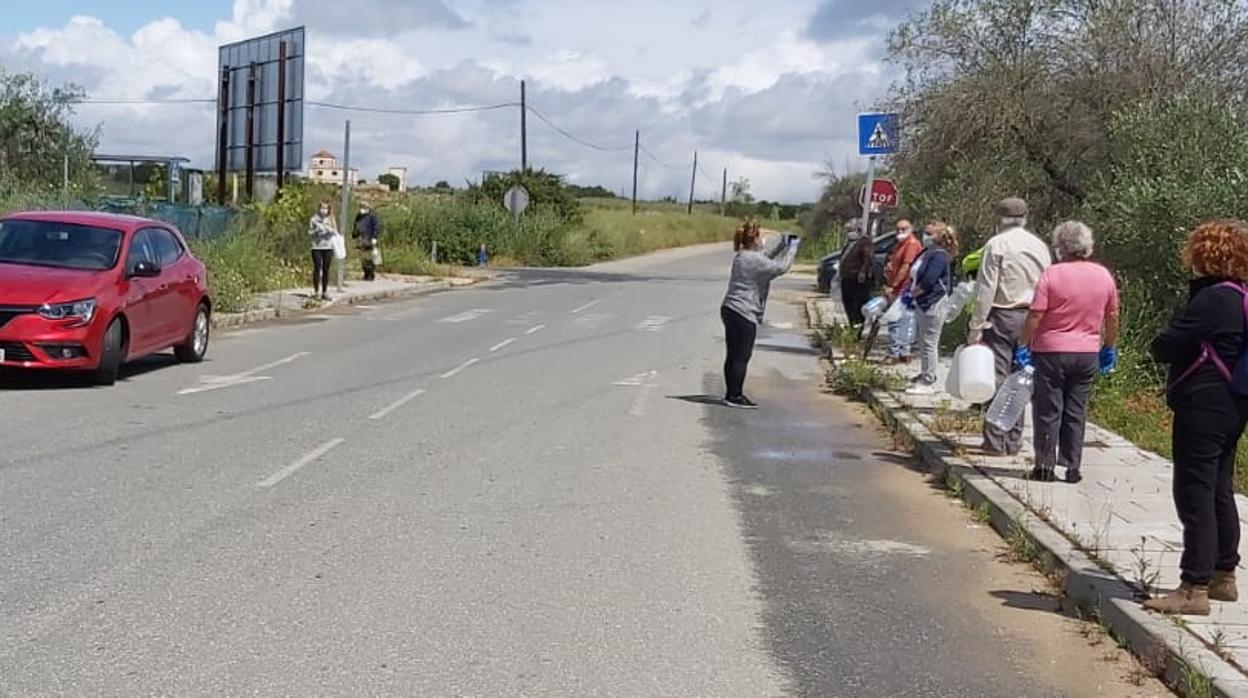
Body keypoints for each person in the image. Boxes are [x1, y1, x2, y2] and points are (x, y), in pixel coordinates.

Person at [1144, 220, 1248, 616]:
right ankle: (1224, 575)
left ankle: (1193, 586)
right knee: (1220, 485)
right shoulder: (1241, 295)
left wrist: (1160, 342)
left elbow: (1167, 345)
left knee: (1195, 490)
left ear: (1205, 254)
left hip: (1203, 403)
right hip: (1234, 402)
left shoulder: (1213, 299)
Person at [1014, 221, 1119, 483]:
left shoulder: (1052, 274)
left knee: (1048, 409)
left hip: (1051, 351)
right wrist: (1109, 347)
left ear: (1060, 247)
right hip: (1087, 352)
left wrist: (1023, 344)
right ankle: (1072, 466)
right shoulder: (1103, 275)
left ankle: (1045, 465)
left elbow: (1036, 314)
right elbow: (1112, 314)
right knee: (1076, 409)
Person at [968, 197, 1051, 455]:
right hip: (1034, 316)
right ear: (1025, 217)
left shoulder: (996, 244)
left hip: (1003, 315)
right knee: (1023, 378)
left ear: (999, 218)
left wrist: (976, 325)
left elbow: (986, 289)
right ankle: (1014, 441)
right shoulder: (1040, 246)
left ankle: (995, 440)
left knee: (999, 378)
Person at [721, 223, 800, 409]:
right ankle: (735, 396)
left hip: (731, 309)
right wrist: (793, 249)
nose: (763, 240)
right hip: (743, 311)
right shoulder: (752, 260)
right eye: (761, 237)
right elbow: (780, 267)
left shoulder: (743, 256)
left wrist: (782, 243)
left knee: (733, 355)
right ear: (755, 239)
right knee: (741, 356)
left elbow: (765, 257)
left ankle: (731, 393)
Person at [905, 222, 958, 395]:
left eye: (929, 233)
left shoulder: (939, 256)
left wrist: (912, 294)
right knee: (923, 341)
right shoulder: (926, 252)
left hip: (933, 303)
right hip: (922, 301)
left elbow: (928, 280)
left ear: (939, 236)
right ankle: (925, 373)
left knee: (929, 342)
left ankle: (929, 381)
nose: (925, 236)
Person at [882, 219, 923, 364]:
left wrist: (893, 286)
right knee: (905, 321)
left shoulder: (911, 244)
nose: (900, 232)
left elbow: (906, 267)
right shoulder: (900, 244)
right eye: (898, 229)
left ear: (911, 229)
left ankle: (893, 353)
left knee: (894, 320)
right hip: (904, 288)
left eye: (903, 229)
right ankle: (904, 352)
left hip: (904, 288)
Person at [839, 219, 874, 327]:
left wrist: (862, 272)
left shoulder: (864, 242)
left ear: (858, 230)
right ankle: (852, 325)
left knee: (857, 305)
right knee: (848, 303)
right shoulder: (850, 243)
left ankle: (858, 327)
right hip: (847, 277)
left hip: (857, 279)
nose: (848, 233)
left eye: (850, 230)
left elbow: (867, 258)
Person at [308, 200, 338, 301]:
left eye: (326, 208)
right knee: (317, 267)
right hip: (317, 247)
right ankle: (316, 292)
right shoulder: (314, 219)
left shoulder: (331, 219)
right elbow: (310, 233)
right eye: (322, 208)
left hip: (328, 247)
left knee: (326, 269)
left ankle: (325, 291)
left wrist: (329, 230)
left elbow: (335, 231)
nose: (324, 210)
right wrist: (317, 231)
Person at [353, 203, 382, 281]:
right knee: (363, 258)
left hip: (369, 239)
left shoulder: (372, 216)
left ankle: (371, 274)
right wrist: (355, 235)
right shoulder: (359, 216)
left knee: (370, 257)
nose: (361, 209)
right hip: (361, 240)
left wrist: (374, 237)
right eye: (361, 207)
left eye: (363, 207)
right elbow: (355, 225)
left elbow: (376, 227)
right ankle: (366, 273)